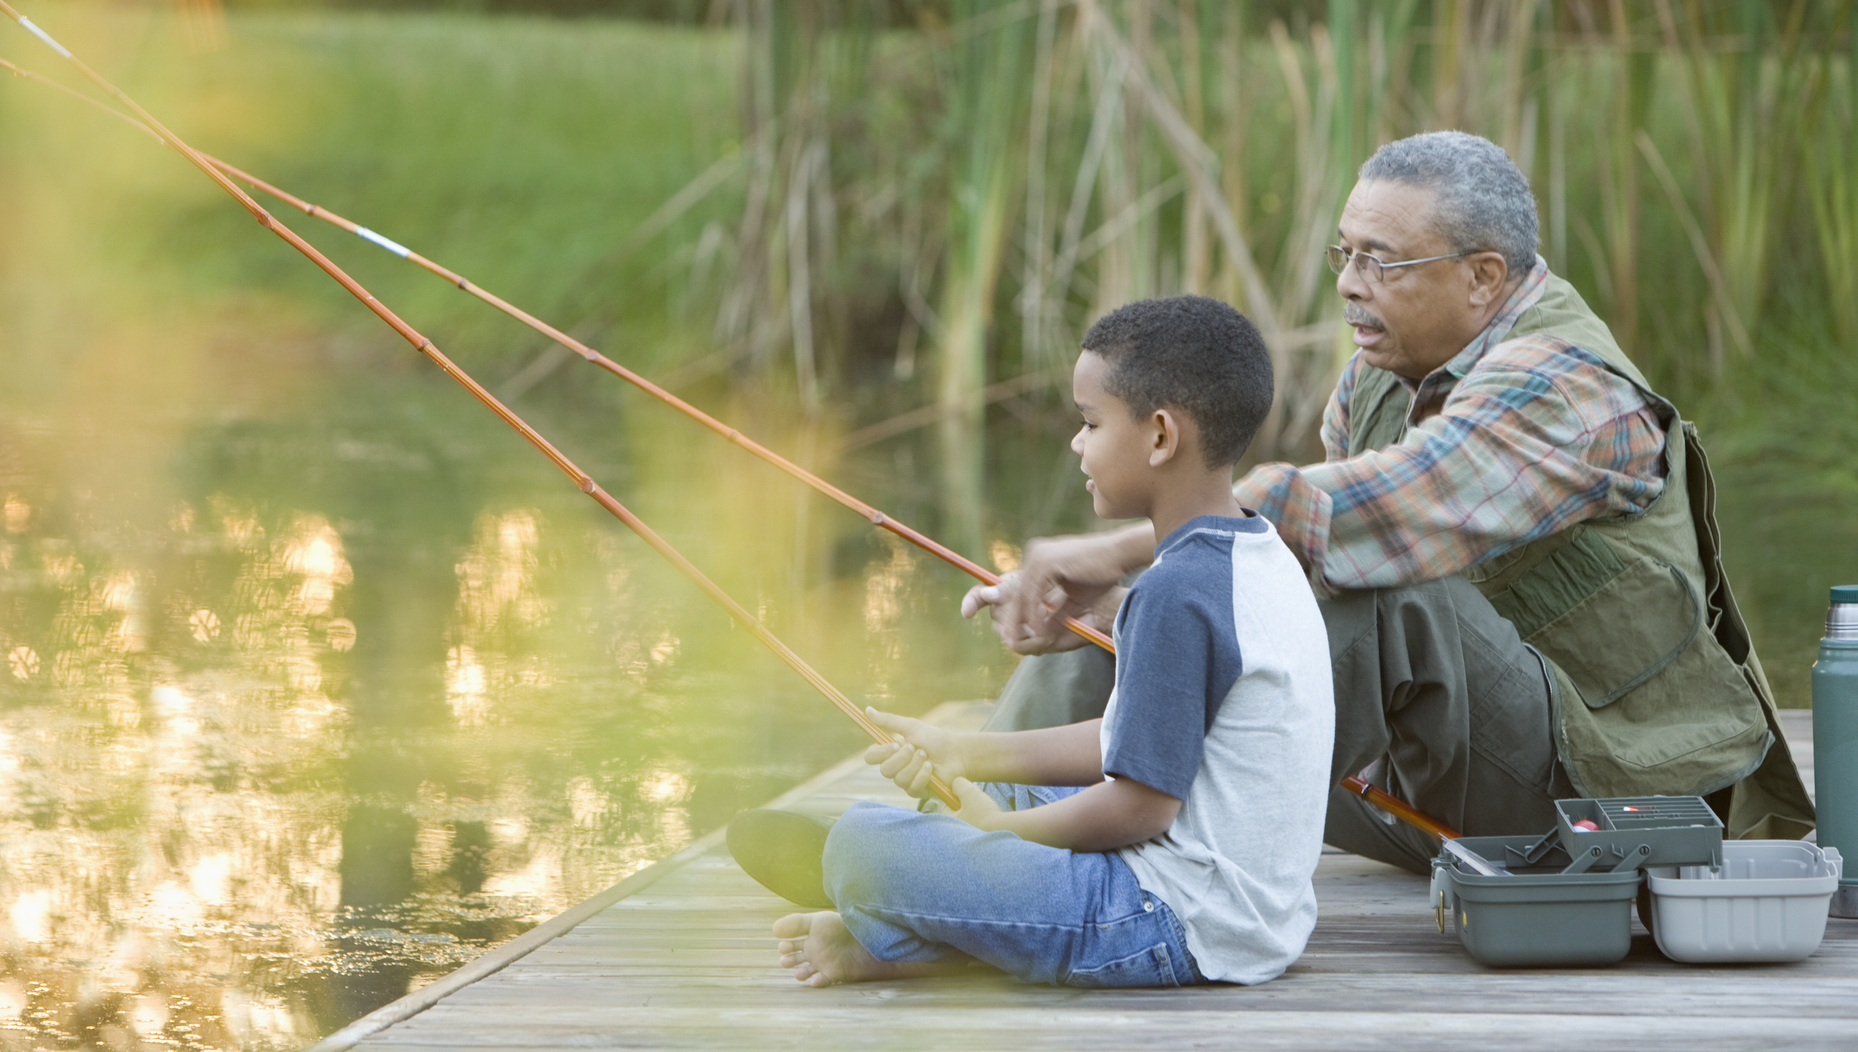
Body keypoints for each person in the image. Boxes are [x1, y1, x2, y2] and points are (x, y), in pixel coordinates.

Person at [968, 131, 1813, 872]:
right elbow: (1277, 592)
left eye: (1382, 261)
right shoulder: (1371, 379)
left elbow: (1375, 515)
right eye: (1344, 254)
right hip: (1421, 795)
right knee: (1142, 615)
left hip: (1595, 799)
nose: (1349, 285)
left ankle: (1042, 860)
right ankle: (951, 826)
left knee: (1383, 597)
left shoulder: (1563, 383)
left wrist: (1116, 548)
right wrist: (1126, 607)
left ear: (1483, 277)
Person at [738, 296, 1334, 988]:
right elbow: (1126, 742)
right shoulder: (1250, 552)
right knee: (982, 785)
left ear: (1161, 436)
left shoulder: (1176, 594)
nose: (1076, 443)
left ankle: (886, 910)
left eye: (1089, 423)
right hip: (1246, 911)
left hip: (1172, 922)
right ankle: (909, 916)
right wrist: (960, 751)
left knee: (867, 846)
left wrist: (994, 837)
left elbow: (1139, 806)